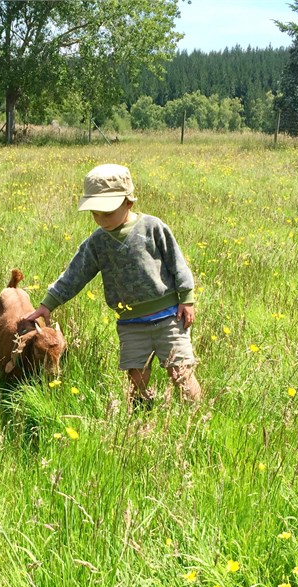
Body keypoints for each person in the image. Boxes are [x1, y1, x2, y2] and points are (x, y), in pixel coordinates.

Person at [23, 163, 201, 407]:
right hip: (131, 323)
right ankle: (140, 417)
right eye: (95, 214)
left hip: (169, 316)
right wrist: (48, 303)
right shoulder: (98, 242)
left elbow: (177, 262)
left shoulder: (152, 227)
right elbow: (75, 273)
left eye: (107, 213)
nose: (101, 220)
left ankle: (196, 416)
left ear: (129, 202)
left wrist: (186, 298)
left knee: (180, 373)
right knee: (136, 377)